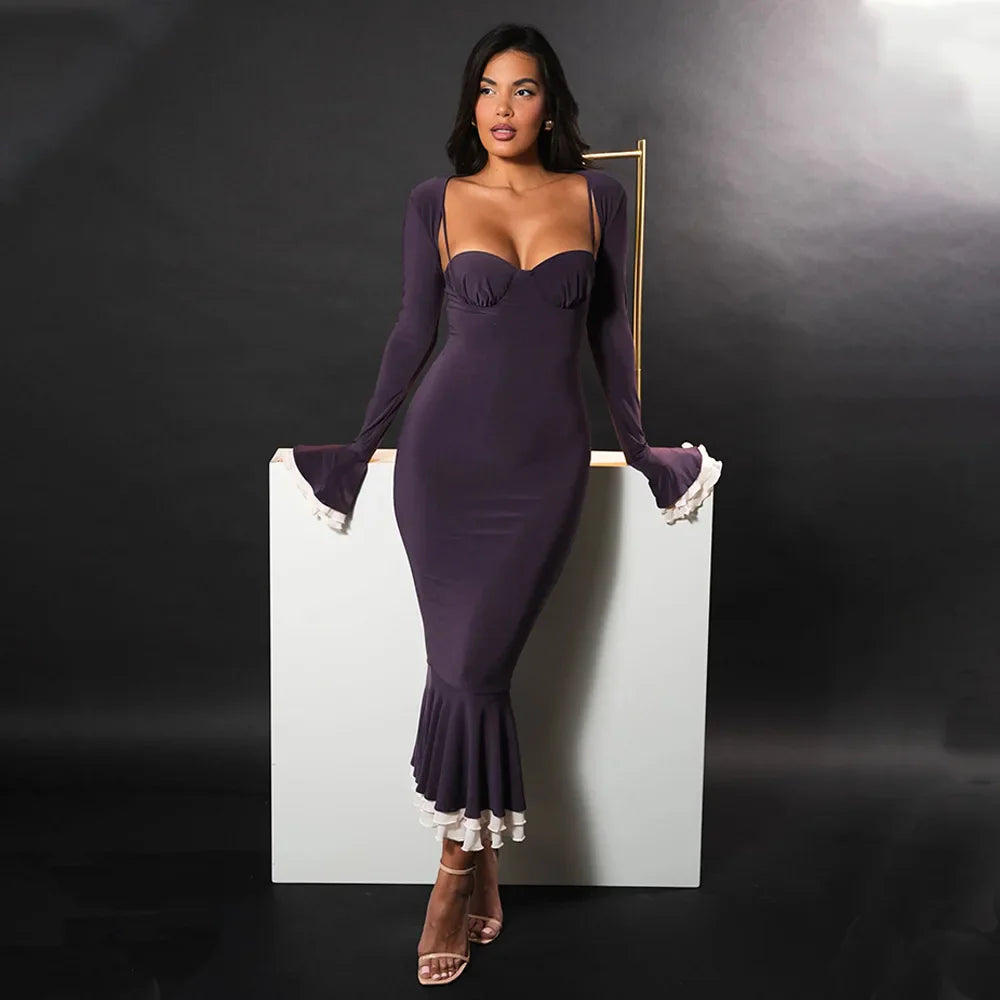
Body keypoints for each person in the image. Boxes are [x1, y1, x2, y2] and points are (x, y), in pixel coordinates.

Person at [279, 22, 722, 987]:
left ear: (551, 105)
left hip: (541, 466)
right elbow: (412, 332)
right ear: (469, 104)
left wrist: (639, 445)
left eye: (523, 89)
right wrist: (359, 447)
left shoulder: (598, 196)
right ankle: (465, 872)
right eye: (487, 89)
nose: (502, 107)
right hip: (444, 461)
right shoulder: (434, 201)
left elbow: (612, 332)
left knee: (477, 667)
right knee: (459, 665)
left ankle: (456, 874)